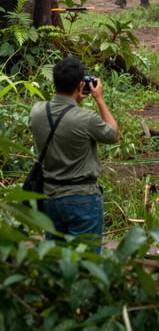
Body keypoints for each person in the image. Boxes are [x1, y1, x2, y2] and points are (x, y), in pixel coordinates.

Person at [28, 56, 119, 253]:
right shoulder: (86, 119)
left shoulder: (36, 112)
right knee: (86, 262)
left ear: (54, 82)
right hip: (82, 199)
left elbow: (63, 119)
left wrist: (74, 98)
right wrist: (99, 99)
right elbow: (113, 134)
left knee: (56, 259)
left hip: (50, 198)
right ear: (81, 85)